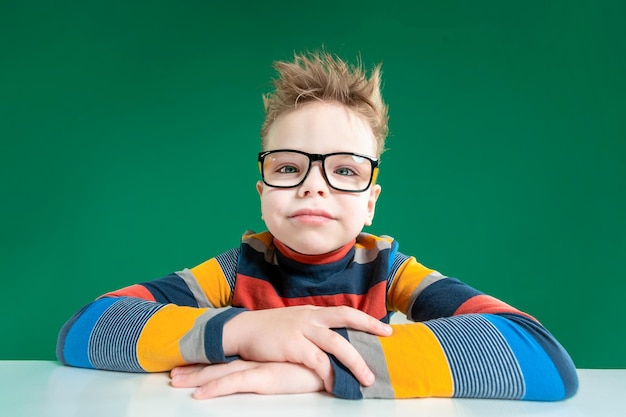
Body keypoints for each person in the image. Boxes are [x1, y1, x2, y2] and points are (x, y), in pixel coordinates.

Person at [56, 50, 578, 401]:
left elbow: (542, 357)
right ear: (263, 194)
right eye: (288, 167)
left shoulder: (390, 272)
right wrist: (246, 328)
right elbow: (87, 329)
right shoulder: (234, 272)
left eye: (345, 170)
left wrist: (317, 369)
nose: (314, 186)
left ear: (370, 203)